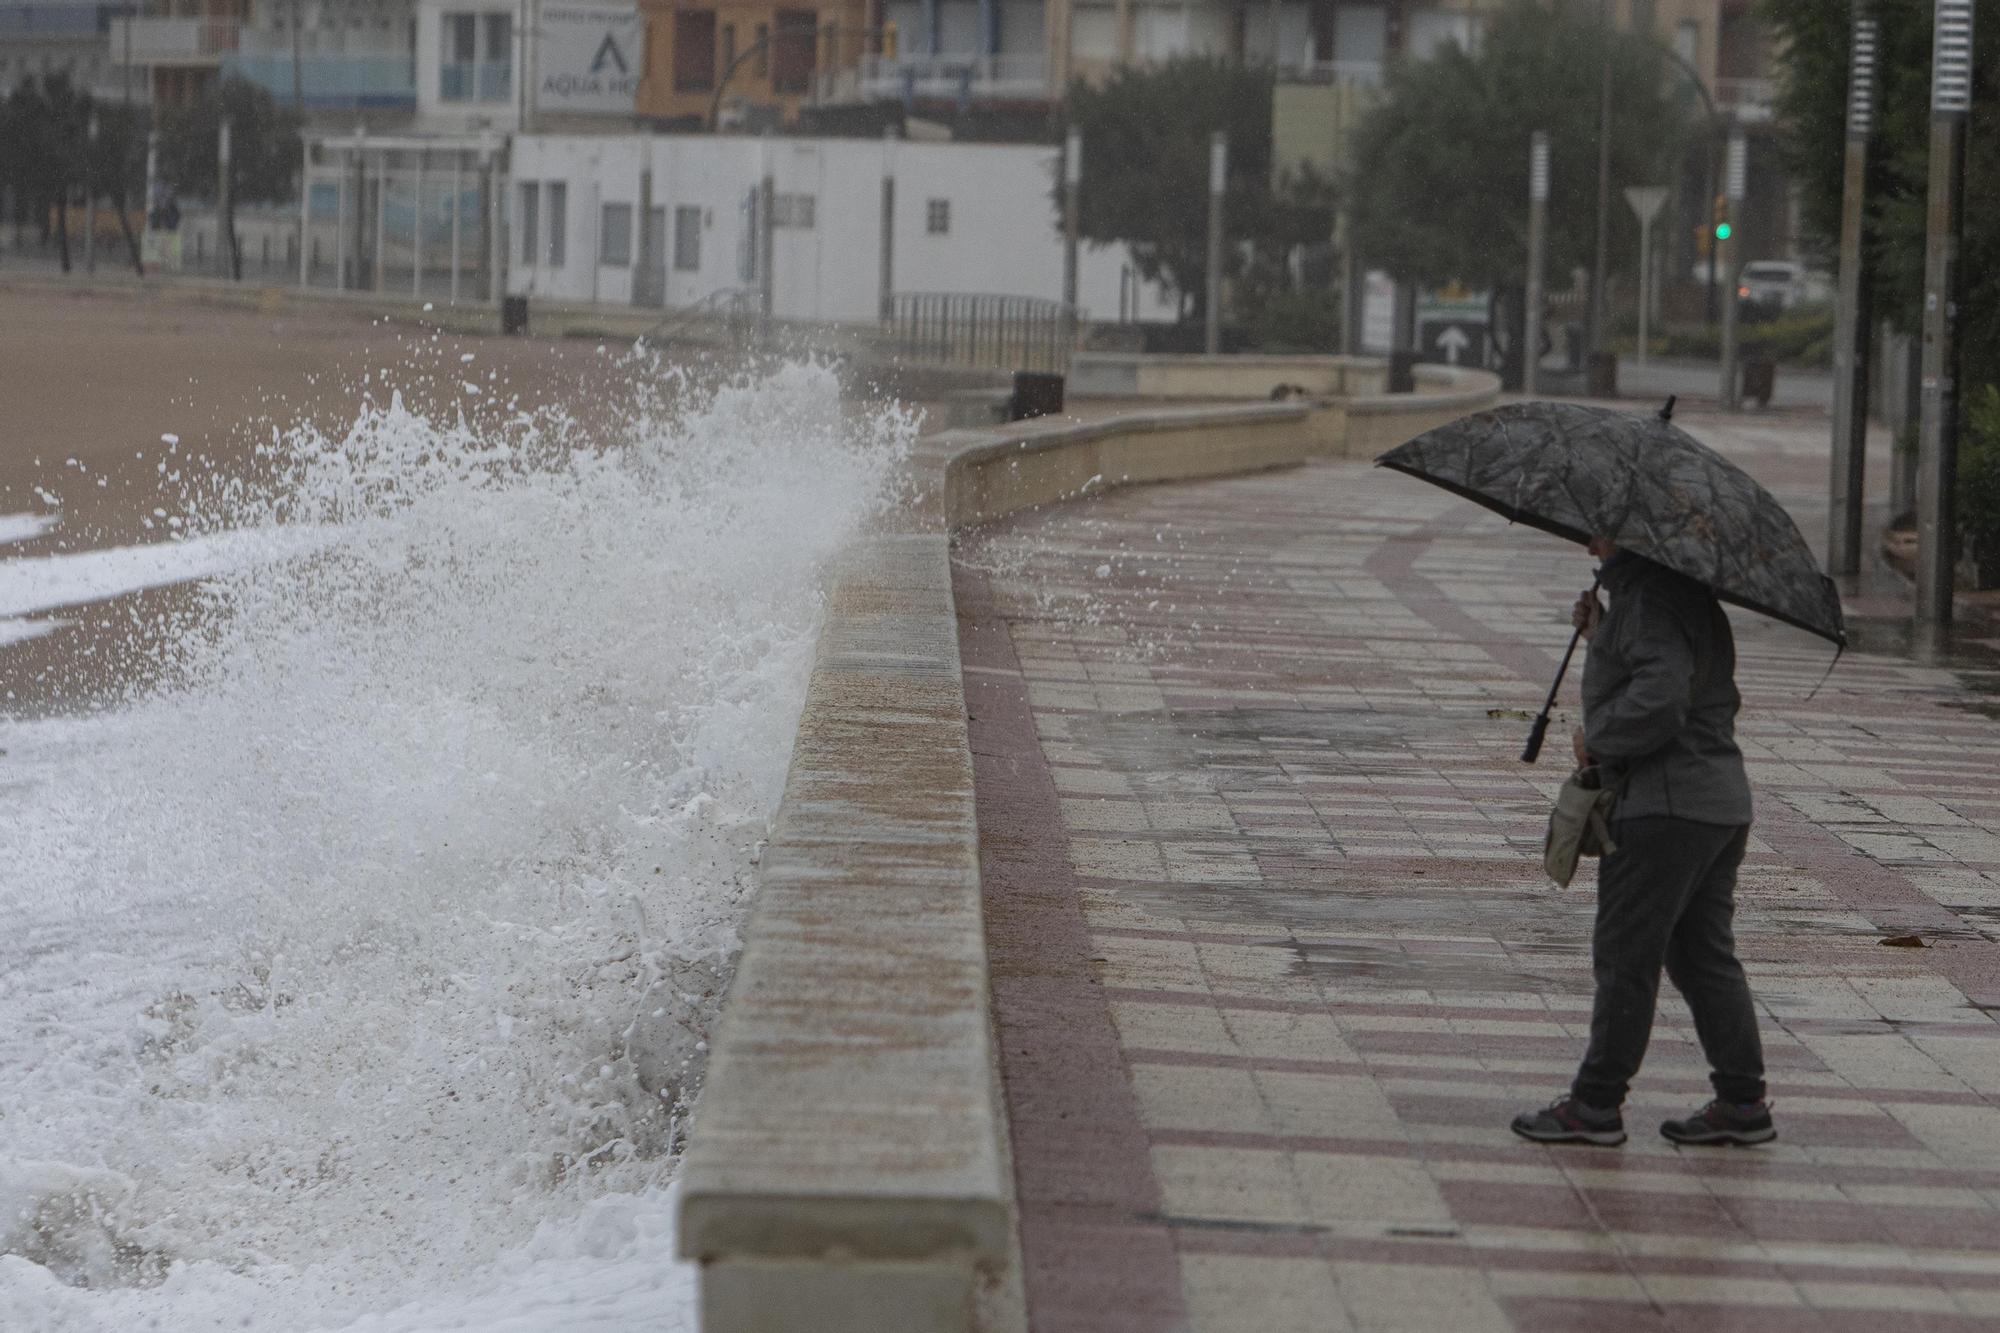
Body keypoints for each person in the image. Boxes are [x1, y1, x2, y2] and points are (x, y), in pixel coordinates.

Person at [1510, 536, 1775, 1148]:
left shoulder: (1650, 598)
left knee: (1626, 956)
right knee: (1701, 957)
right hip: (1714, 804)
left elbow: (1662, 697)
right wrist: (1604, 632)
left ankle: (1595, 1105)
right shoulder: (1668, 593)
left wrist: (1599, 738)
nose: (1587, 536)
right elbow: (1660, 670)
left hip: (1665, 809)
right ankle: (1742, 1102)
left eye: (1599, 523)